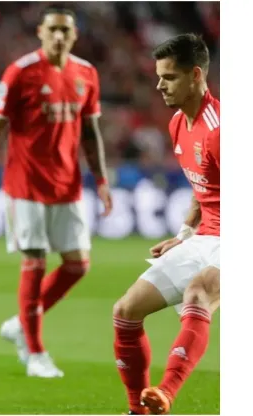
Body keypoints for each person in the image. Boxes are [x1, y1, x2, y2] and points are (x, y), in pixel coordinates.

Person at [0, 6, 112, 378]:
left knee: (78, 264)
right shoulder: (21, 72)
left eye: (65, 30)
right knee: (36, 262)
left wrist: (102, 178)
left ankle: (21, 323)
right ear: (40, 32)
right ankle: (35, 353)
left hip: (68, 184)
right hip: (25, 185)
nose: (59, 36)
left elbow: (91, 132)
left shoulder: (86, 73)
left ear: (75, 34)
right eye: (53, 30)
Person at [112, 33, 219, 415]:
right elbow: (201, 188)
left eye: (168, 77)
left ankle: (165, 394)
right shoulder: (178, 124)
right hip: (205, 235)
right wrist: (185, 234)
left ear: (195, 75)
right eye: (158, 76)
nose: (159, 85)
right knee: (125, 311)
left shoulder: (222, 129)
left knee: (198, 295)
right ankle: (137, 410)